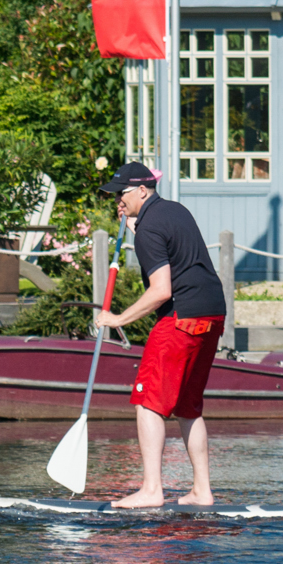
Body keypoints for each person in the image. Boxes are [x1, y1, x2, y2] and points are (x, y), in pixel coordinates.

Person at [92, 161, 229, 507]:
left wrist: (117, 319)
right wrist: (139, 229)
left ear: (142, 190)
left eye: (121, 195)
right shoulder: (174, 210)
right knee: (187, 405)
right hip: (213, 313)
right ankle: (202, 491)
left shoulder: (149, 228)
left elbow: (161, 290)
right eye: (115, 197)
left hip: (181, 318)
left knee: (148, 400)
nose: (117, 202)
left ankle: (152, 490)